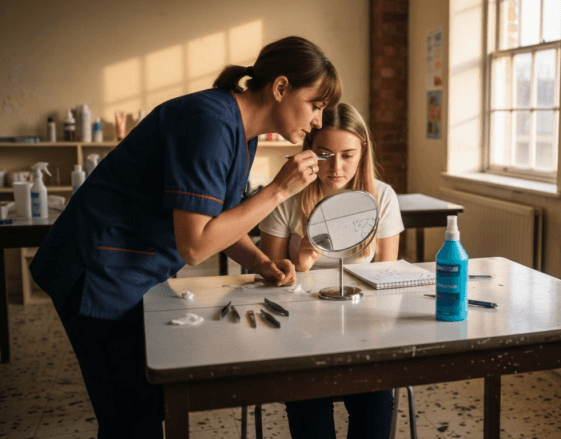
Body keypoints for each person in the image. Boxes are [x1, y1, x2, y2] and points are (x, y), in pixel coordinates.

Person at [29, 36, 341, 439]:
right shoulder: (209, 122)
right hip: (96, 268)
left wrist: (260, 262)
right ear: (280, 87)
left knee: (143, 406)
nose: (317, 122)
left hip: (130, 269)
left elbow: (219, 221)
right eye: (315, 106)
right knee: (130, 418)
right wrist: (280, 190)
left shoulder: (241, 133)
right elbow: (195, 246)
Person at [259, 103, 404, 438]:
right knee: (308, 402)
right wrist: (299, 267)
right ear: (309, 150)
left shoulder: (382, 197)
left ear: (363, 151)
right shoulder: (285, 198)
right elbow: (267, 279)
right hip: (300, 332)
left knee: (376, 402)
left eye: (348, 155)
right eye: (325, 155)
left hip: (364, 329)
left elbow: (387, 280)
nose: (336, 168)